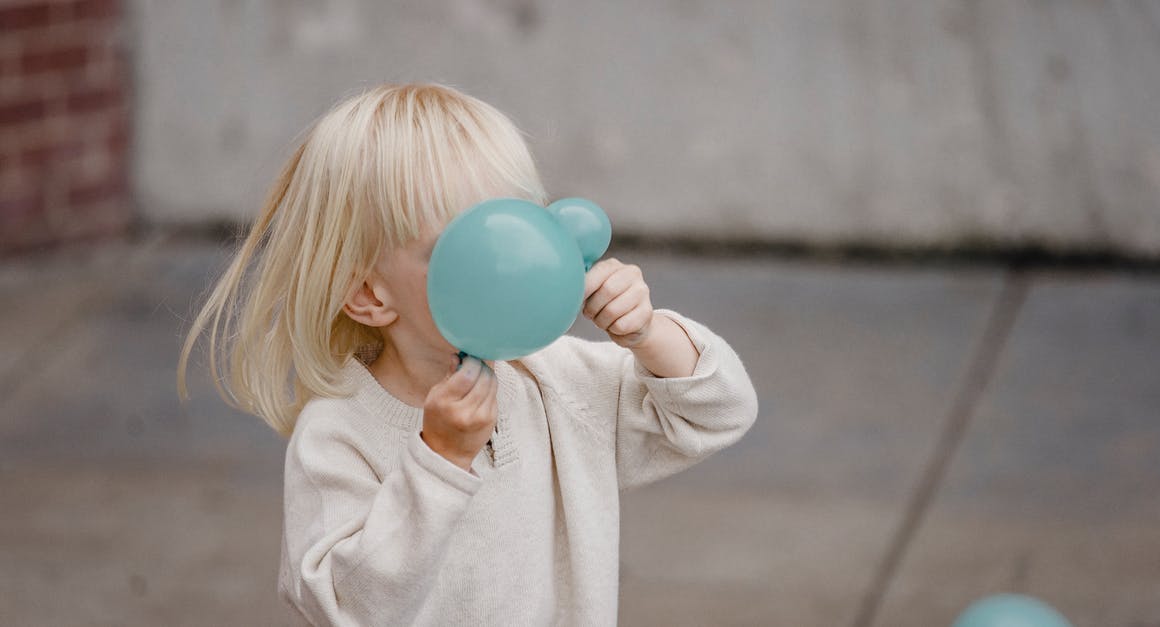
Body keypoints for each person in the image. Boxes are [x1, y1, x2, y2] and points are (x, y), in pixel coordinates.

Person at [178, 83, 757, 626]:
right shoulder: (339, 435)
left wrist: (648, 335)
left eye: (519, 226)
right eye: (467, 247)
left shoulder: (557, 381)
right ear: (367, 295)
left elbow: (719, 412)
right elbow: (347, 607)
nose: (511, 263)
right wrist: (440, 460)